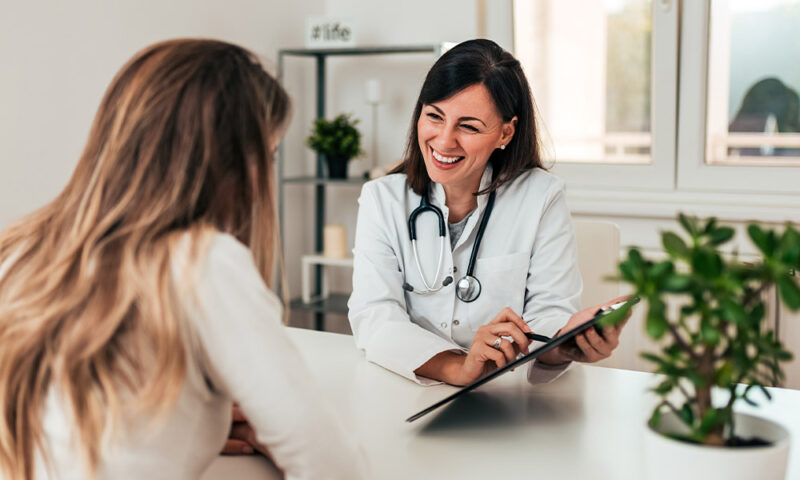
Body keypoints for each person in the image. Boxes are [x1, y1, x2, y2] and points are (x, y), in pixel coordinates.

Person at [0, 39, 365, 480]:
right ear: (232, 163)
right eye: (267, 156)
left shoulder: (19, 248)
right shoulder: (203, 262)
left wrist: (188, 416)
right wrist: (272, 434)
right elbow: (332, 467)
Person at [348, 39, 629, 387]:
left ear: (505, 133)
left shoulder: (541, 197)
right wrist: (459, 368)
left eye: (468, 126)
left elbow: (549, 315)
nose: (444, 141)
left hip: (508, 397)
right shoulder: (383, 199)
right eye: (434, 116)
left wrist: (566, 344)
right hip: (406, 390)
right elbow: (376, 317)